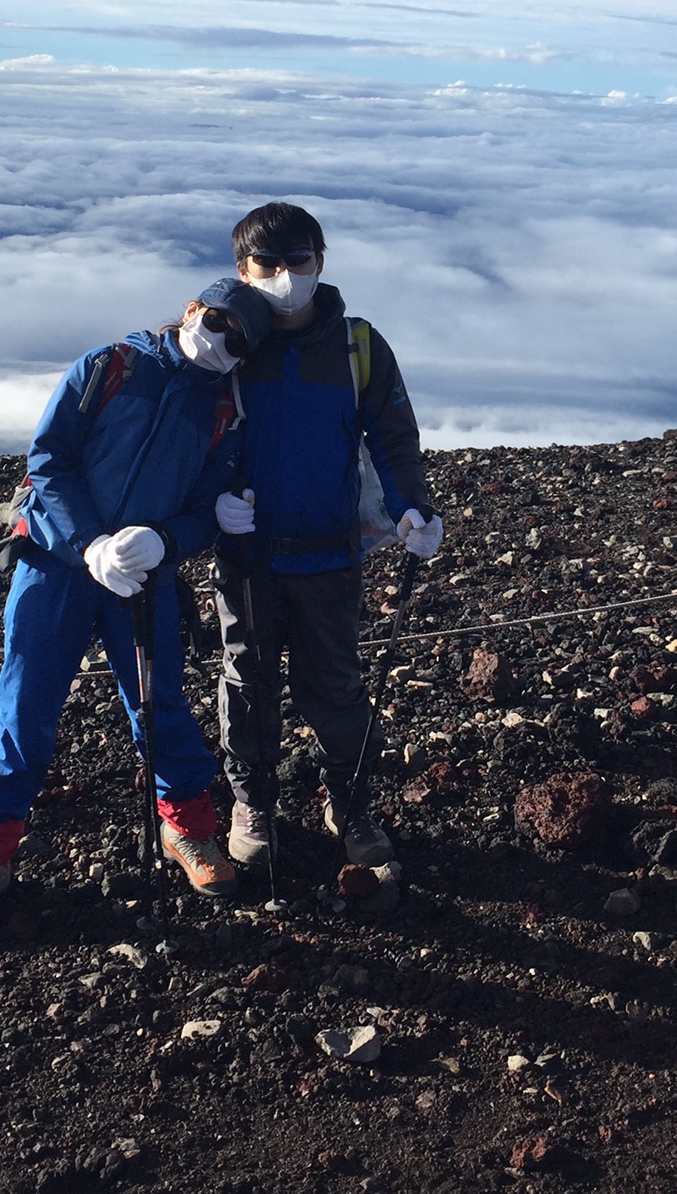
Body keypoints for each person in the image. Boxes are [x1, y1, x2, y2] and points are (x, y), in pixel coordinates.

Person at [0, 277, 273, 933]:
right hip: (52, 565)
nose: (222, 342)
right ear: (191, 311)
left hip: (145, 578)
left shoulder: (223, 416)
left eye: (239, 342)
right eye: (218, 322)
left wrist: (165, 539)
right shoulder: (107, 368)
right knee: (25, 706)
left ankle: (187, 830)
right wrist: (87, 542)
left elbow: (209, 507)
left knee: (160, 708)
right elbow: (48, 460)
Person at [210, 202, 444, 873]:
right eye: (269, 264)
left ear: (321, 262)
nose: (286, 276)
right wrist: (211, 504)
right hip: (247, 556)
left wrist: (412, 510)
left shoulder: (357, 346)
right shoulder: (228, 346)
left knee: (337, 688)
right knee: (247, 684)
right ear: (242, 269)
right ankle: (253, 802)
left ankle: (350, 801)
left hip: (329, 555)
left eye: (299, 262)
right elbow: (194, 436)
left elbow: (394, 437)